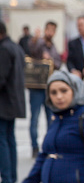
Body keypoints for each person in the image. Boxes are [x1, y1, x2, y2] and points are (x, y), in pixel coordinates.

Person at [28, 21, 62, 158]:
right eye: (49, 30)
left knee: (50, 118)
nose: (50, 33)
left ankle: (48, 146)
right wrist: (37, 39)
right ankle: (35, 147)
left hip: (48, 87)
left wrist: (51, 59)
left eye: (53, 30)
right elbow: (32, 49)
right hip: (36, 86)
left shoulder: (53, 47)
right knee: (35, 118)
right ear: (45, 30)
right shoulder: (39, 43)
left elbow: (58, 63)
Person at [0, 21, 26, 183]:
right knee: (10, 140)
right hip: (14, 101)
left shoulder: (3, 49)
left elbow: (0, 78)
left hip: (4, 103)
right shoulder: (16, 47)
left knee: (3, 141)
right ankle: (12, 179)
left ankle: (7, 181)